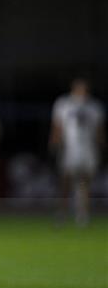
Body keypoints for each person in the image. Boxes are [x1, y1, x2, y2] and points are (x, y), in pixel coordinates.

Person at [49, 78, 105, 226]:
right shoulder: (63, 104)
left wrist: (101, 146)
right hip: (70, 148)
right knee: (65, 181)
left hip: (88, 149)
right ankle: (62, 212)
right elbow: (57, 126)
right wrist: (55, 143)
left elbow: (99, 130)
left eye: (84, 89)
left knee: (85, 181)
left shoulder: (94, 107)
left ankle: (82, 214)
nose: (82, 92)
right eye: (79, 89)